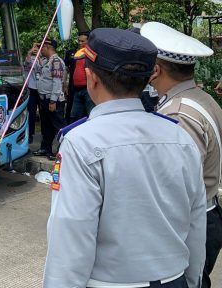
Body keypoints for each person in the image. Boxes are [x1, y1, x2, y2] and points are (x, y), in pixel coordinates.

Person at [43, 28, 206, 288]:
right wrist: (191, 280)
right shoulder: (179, 136)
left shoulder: (82, 142)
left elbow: (71, 238)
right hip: (175, 280)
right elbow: (196, 222)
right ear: (147, 78)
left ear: (91, 77)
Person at [141, 21, 222, 288]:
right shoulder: (201, 98)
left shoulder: (178, 114)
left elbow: (177, 186)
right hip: (207, 213)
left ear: (156, 69)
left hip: (192, 222)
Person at [33, 39, 65, 159]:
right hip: (44, 99)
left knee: (58, 126)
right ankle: (46, 148)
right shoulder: (47, 61)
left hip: (54, 100)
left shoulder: (56, 62)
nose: (40, 50)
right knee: (46, 126)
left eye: (42, 48)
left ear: (47, 47)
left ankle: (62, 150)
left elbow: (57, 83)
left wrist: (53, 101)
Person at [65, 31, 94, 122]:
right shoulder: (78, 53)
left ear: (89, 41)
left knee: (91, 115)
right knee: (74, 115)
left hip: (88, 89)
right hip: (76, 89)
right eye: (79, 41)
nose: (80, 43)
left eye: (83, 41)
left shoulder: (92, 53)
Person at [23, 42, 40, 144]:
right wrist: (29, 53)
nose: (37, 49)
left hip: (43, 90)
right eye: (35, 47)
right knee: (31, 114)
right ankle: (30, 135)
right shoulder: (30, 58)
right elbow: (26, 65)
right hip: (32, 89)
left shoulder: (46, 59)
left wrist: (40, 58)